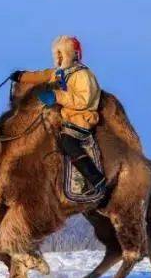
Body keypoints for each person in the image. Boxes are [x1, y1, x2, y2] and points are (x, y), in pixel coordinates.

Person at [10, 35, 106, 195]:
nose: (60, 57)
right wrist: (21, 76)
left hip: (79, 119)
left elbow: (84, 100)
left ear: (72, 54)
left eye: (63, 53)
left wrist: (57, 96)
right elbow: (41, 76)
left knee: (67, 141)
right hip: (62, 118)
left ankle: (96, 180)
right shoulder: (59, 72)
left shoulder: (83, 75)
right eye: (58, 54)